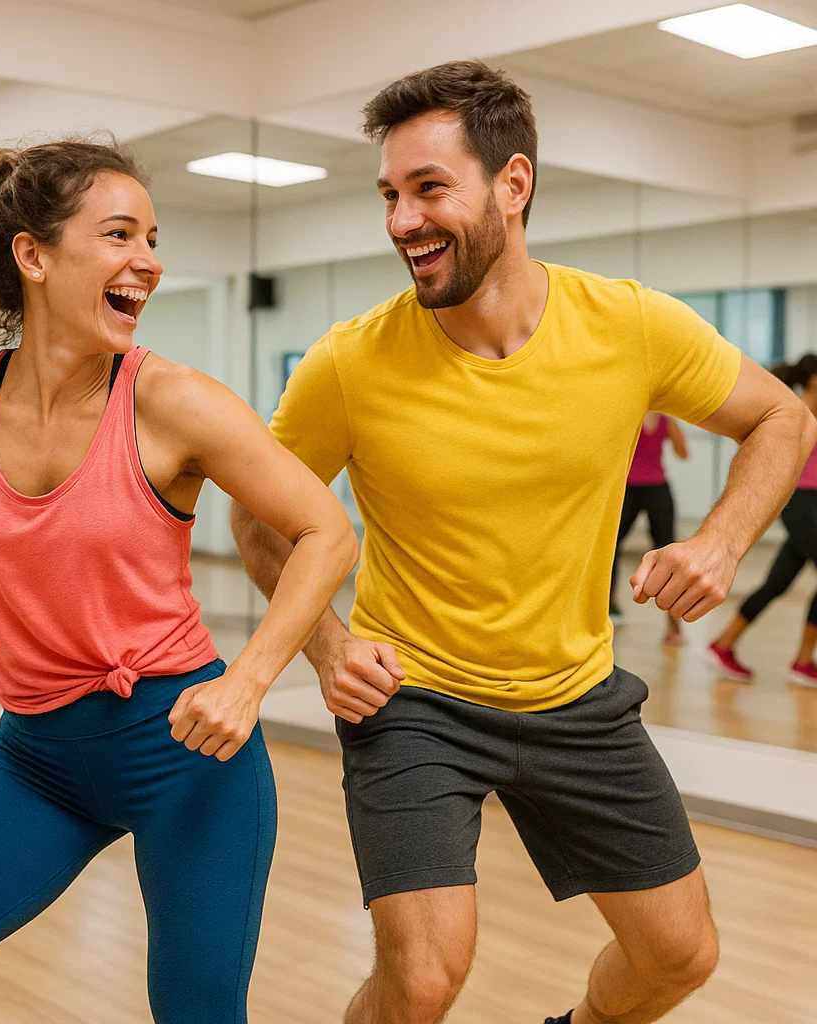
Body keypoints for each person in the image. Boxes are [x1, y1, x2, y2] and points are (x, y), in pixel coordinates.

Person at [230, 61, 815, 1024]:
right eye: (389, 194)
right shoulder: (349, 362)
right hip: (414, 702)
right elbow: (258, 515)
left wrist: (721, 542)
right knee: (422, 980)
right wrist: (328, 645)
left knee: (680, 957)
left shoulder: (626, 324)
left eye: (429, 188)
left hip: (576, 699)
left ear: (513, 184)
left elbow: (780, 419)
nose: (402, 221)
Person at [0, 138, 357, 1024]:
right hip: (35, 759)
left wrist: (250, 679)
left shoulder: (174, 402)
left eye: (152, 238)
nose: (146, 260)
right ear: (33, 255)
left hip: (189, 753)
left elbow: (323, 532)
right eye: (119, 235)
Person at [709, 355, 817, 686]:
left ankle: (723, 644)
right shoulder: (795, 410)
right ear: (813, 379)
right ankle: (802, 662)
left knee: (778, 582)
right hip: (800, 502)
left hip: (812, 504)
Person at [610, 413, 689, 644]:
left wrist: (676, 429)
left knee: (669, 553)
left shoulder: (667, 421)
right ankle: (609, 608)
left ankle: (674, 625)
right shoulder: (630, 417)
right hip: (628, 489)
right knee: (610, 547)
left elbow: (683, 454)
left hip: (657, 489)